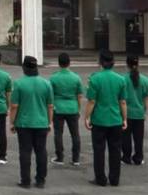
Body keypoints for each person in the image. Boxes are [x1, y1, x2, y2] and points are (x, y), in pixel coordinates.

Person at [10, 56, 53, 189]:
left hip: (24, 123)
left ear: (24, 67)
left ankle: (25, 180)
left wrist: (12, 122)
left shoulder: (18, 84)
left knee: (25, 151)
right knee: (41, 151)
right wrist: (49, 122)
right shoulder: (46, 84)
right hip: (41, 122)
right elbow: (50, 106)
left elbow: (14, 106)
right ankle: (40, 180)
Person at [85, 51, 127, 187]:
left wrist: (87, 117)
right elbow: (122, 102)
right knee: (115, 150)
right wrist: (124, 119)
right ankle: (114, 179)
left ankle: (100, 179)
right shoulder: (120, 79)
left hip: (99, 120)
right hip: (115, 120)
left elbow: (91, 101)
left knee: (99, 150)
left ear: (100, 62)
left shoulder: (95, 79)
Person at [49, 52, 84, 166]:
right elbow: (79, 95)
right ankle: (76, 158)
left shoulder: (53, 78)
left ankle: (59, 157)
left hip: (58, 108)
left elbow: (50, 96)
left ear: (59, 63)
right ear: (69, 63)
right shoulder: (76, 78)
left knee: (58, 133)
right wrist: (78, 108)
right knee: (75, 134)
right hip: (72, 108)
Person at [121, 54, 148, 165]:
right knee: (138, 138)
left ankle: (126, 157)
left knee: (125, 137)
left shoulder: (123, 79)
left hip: (126, 113)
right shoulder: (145, 80)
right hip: (139, 113)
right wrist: (144, 111)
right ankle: (138, 157)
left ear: (127, 64)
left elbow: (121, 98)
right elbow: (146, 99)